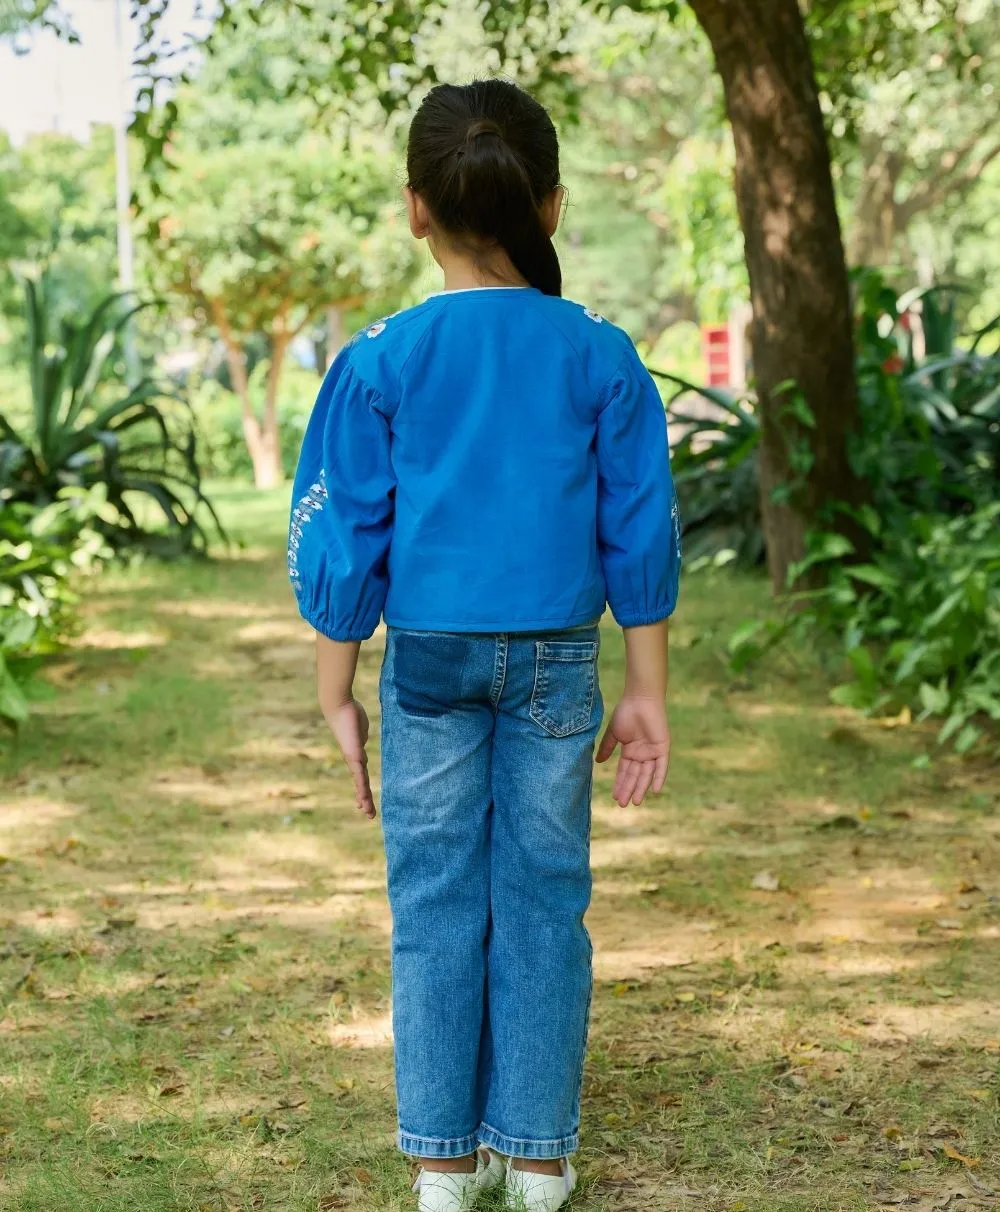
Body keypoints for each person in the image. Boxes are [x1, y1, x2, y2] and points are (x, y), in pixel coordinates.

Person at [289, 78, 681, 1212]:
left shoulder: (379, 357)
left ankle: (444, 1168)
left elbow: (345, 530)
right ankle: (540, 1158)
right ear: (548, 207)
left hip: (427, 667)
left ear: (415, 209)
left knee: (434, 901)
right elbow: (639, 523)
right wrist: (646, 689)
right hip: (559, 661)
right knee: (546, 896)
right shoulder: (602, 355)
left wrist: (335, 691)